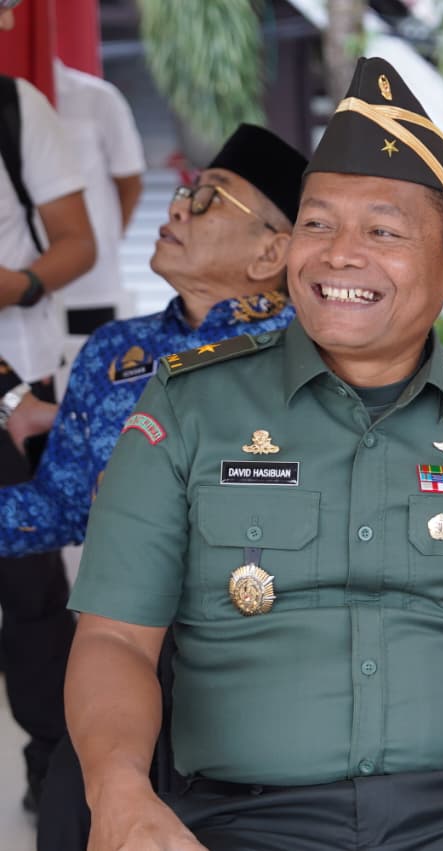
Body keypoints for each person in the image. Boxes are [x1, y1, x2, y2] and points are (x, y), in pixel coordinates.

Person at [66, 56, 443, 851]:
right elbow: (115, 639)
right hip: (241, 822)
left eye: (383, 232)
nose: (338, 255)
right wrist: (118, 789)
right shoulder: (187, 408)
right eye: (318, 224)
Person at [13, 121, 304, 851]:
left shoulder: (312, 354)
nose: (176, 205)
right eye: (185, 191)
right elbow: (61, 505)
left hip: (272, 650)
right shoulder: (116, 351)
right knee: (74, 808)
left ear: (271, 253)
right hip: (127, 644)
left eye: (208, 198)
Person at [0, 1, 96, 809]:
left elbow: (78, 239)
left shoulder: (16, 107)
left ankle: (53, 762)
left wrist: (19, 284)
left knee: (30, 587)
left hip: (15, 385)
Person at [53, 57, 146, 336]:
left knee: (90, 355)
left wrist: (101, 244)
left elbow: (129, 182)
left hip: (88, 284)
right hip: (12, 283)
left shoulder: (96, 97)